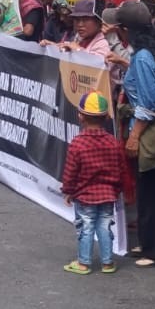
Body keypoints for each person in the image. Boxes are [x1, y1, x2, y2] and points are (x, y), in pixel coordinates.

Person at [114, 0, 155, 269]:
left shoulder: (141, 56)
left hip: (150, 128)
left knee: (153, 190)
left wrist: (134, 135)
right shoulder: (154, 49)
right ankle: (152, 242)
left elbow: (149, 101)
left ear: (124, 30)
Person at [60, 91, 127, 275]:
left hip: (84, 195)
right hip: (107, 194)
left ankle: (83, 262)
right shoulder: (113, 143)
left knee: (85, 227)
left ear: (80, 116)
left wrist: (68, 190)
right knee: (105, 225)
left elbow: (70, 172)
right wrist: (119, 188)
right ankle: (107, 262)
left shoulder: (77, 144)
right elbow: (121, 169)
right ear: (106, 117)